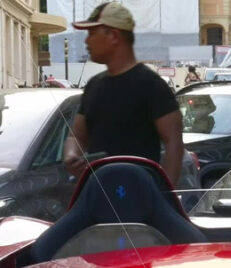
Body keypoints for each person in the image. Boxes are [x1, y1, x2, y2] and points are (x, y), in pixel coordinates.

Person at [63, 2, 184, 185]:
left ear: (113, 36)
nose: (86, 41)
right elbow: (77, 136)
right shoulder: (93, 86)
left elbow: (174, 143)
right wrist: (71, 155)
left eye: (92, 33)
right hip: (97, 196)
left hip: (139, 201)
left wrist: (163, 197)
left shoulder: (152, 85)